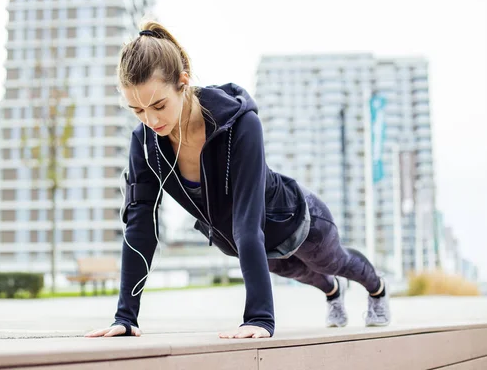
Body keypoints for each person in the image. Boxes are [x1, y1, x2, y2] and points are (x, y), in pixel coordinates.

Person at [85, 21, 390, 340]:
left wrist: (259, 318)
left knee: (332, 261)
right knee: (306, 275)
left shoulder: (240, 123)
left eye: (159, 105)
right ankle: (332, 292)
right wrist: (125, 316)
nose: (151, 120)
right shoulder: (146, 145)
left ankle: (378, 289)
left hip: (298, 222)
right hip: (248, 247)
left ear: (182, 82)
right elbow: (139, 224)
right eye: (137, 110)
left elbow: (247, 219)